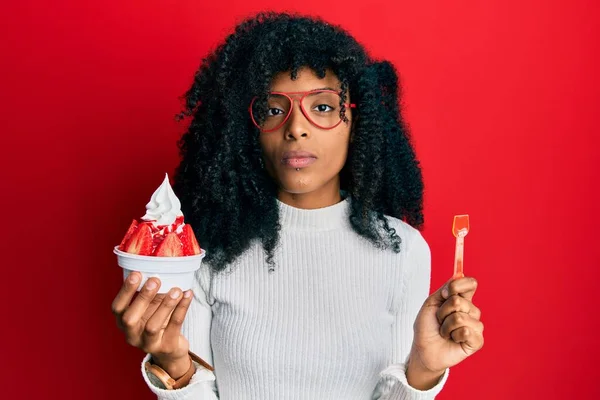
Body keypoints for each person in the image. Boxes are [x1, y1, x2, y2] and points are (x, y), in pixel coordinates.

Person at [111, 11, 484, 400]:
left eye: (322, 107)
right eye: (274, 109)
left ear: (358, 122)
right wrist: (172, 363)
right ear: (246, 130)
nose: (296, 127)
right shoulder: (206, 249)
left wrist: (422, 369)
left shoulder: (402, 250)